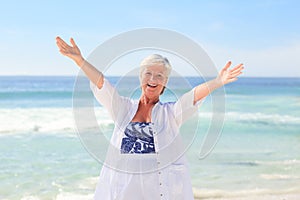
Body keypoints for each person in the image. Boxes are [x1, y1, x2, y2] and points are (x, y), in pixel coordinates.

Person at [56, 36, 244, 200]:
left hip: (159, 192)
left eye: (159, 75)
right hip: (123, 192)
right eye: (148, 73)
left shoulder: (170, 113)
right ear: (141, 77)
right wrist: (79, 60)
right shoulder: (122, 108)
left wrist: (218, 82)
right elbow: (101, 84)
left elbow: (193, 97)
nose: (153, 79)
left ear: (165, 83)